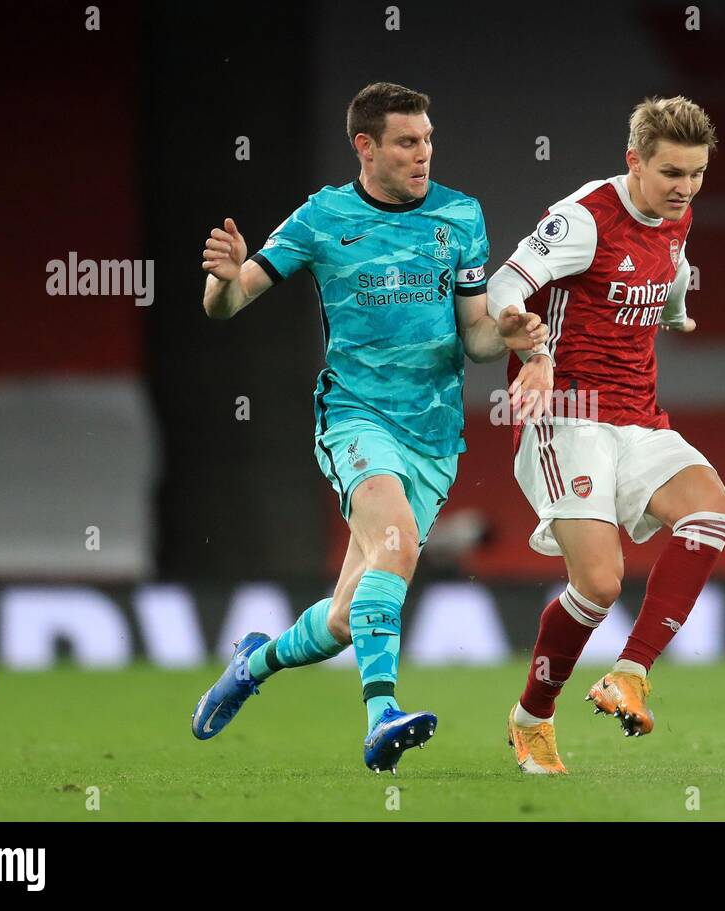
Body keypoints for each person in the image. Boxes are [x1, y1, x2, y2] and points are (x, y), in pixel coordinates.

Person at [190, 82, 547, 773]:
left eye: (429, 139)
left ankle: (251, 662)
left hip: (434, 433)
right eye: (408, 142)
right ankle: (381, 715)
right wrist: (223, 282)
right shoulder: (323, 218)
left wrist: (506, 334)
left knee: (345, 619)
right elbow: (229, 304)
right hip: (356, 416)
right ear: (366, 146)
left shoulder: (459, 215)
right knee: (400, 542)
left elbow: (472, 338)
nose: (424, 155)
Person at [487, 97, 725, 774]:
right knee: (598, 582)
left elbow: (674, 265)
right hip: (567, 415)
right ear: (634, 161)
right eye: (670, 173)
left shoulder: (677, 210)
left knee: (712, 510)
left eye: (696, 173)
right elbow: (506, 281)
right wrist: (527, 345)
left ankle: (630, 673)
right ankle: (532, 718)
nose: (685, 187)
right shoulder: (583, 218)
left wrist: (678, 313)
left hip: (639, 415)